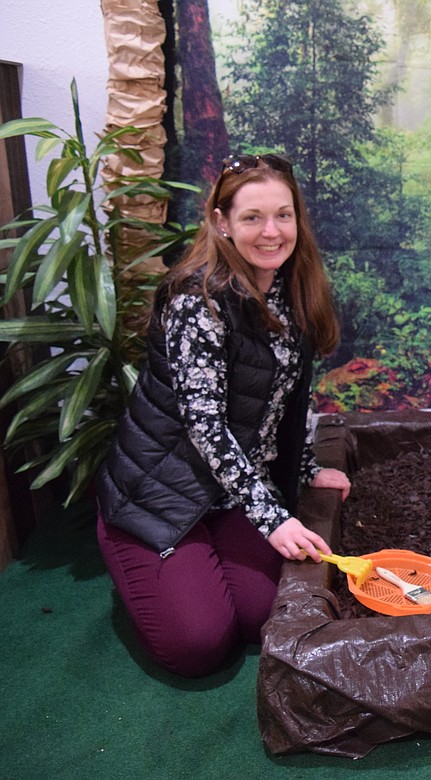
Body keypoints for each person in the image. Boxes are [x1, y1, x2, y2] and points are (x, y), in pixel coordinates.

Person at [95, 153, 351, 677]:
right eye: (252, 217)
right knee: (200, 645)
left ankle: (197, 563)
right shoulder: (198, 301)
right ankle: (134, 554)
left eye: (284, 215)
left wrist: (304, 469)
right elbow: (204, 426)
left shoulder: (289, 288)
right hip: (160, 493)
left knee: (263, 615)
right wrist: (273, 518)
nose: (271, 231)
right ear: (221, 223)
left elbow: (287, 398)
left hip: (229, 493)